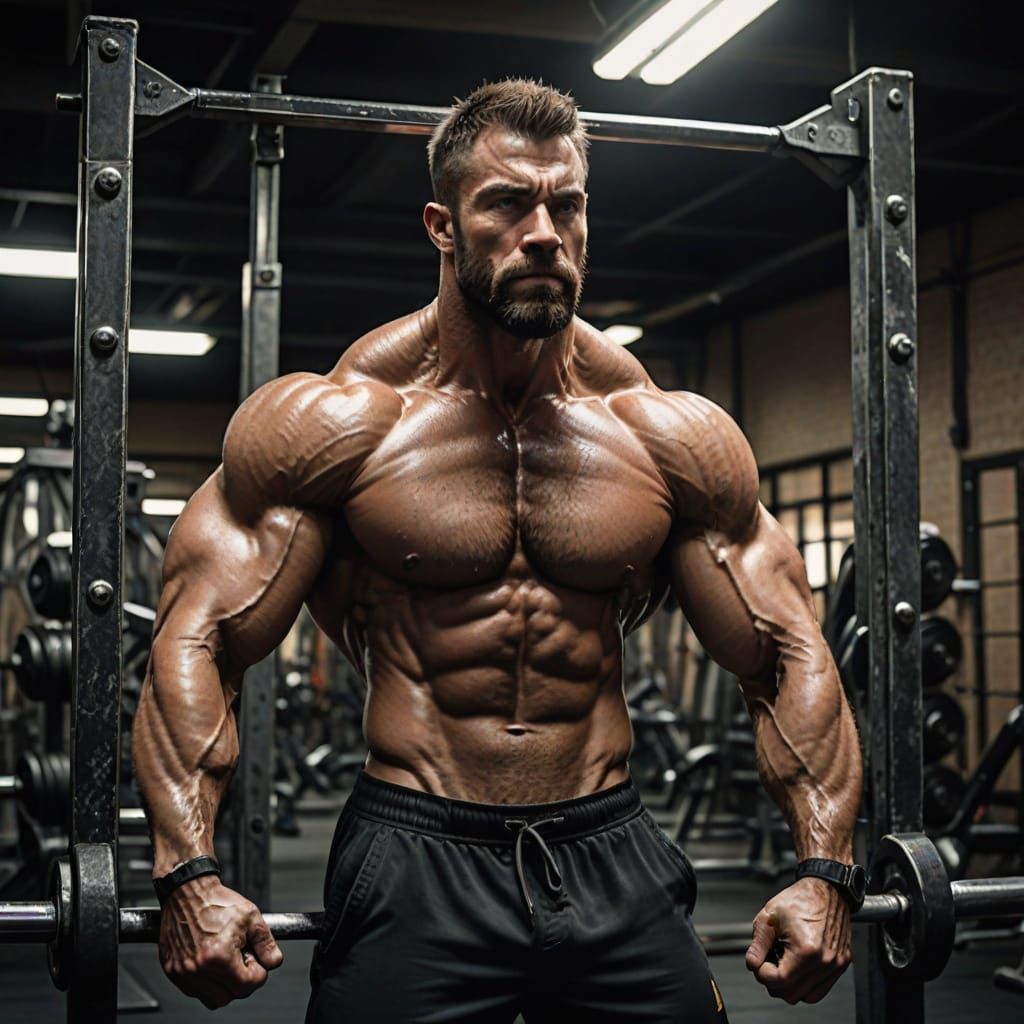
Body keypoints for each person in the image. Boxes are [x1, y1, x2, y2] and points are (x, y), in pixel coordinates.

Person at [132, 79, 863, 1022]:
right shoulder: (341, 423)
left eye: (567, 204)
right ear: (442, 225)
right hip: (416, 847)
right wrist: (188, 873)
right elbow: (200, 642)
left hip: (612, 842)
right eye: (509, 204)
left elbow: (787, 650)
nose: (545, 232)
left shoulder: (663, 435)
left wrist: (824, 871)